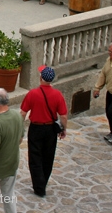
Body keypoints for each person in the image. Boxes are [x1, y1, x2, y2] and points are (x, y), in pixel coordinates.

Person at [19, 66, 68, 198]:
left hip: (36, 128)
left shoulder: (32, 94)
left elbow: (23, 113)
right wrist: (64, 129)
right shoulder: (57, 95)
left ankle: (39, 186)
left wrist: (20, 129)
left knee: (35, 157)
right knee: (48, 156)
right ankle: (43, 181)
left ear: (41, 78)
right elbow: (63, 115)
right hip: (51, 129)